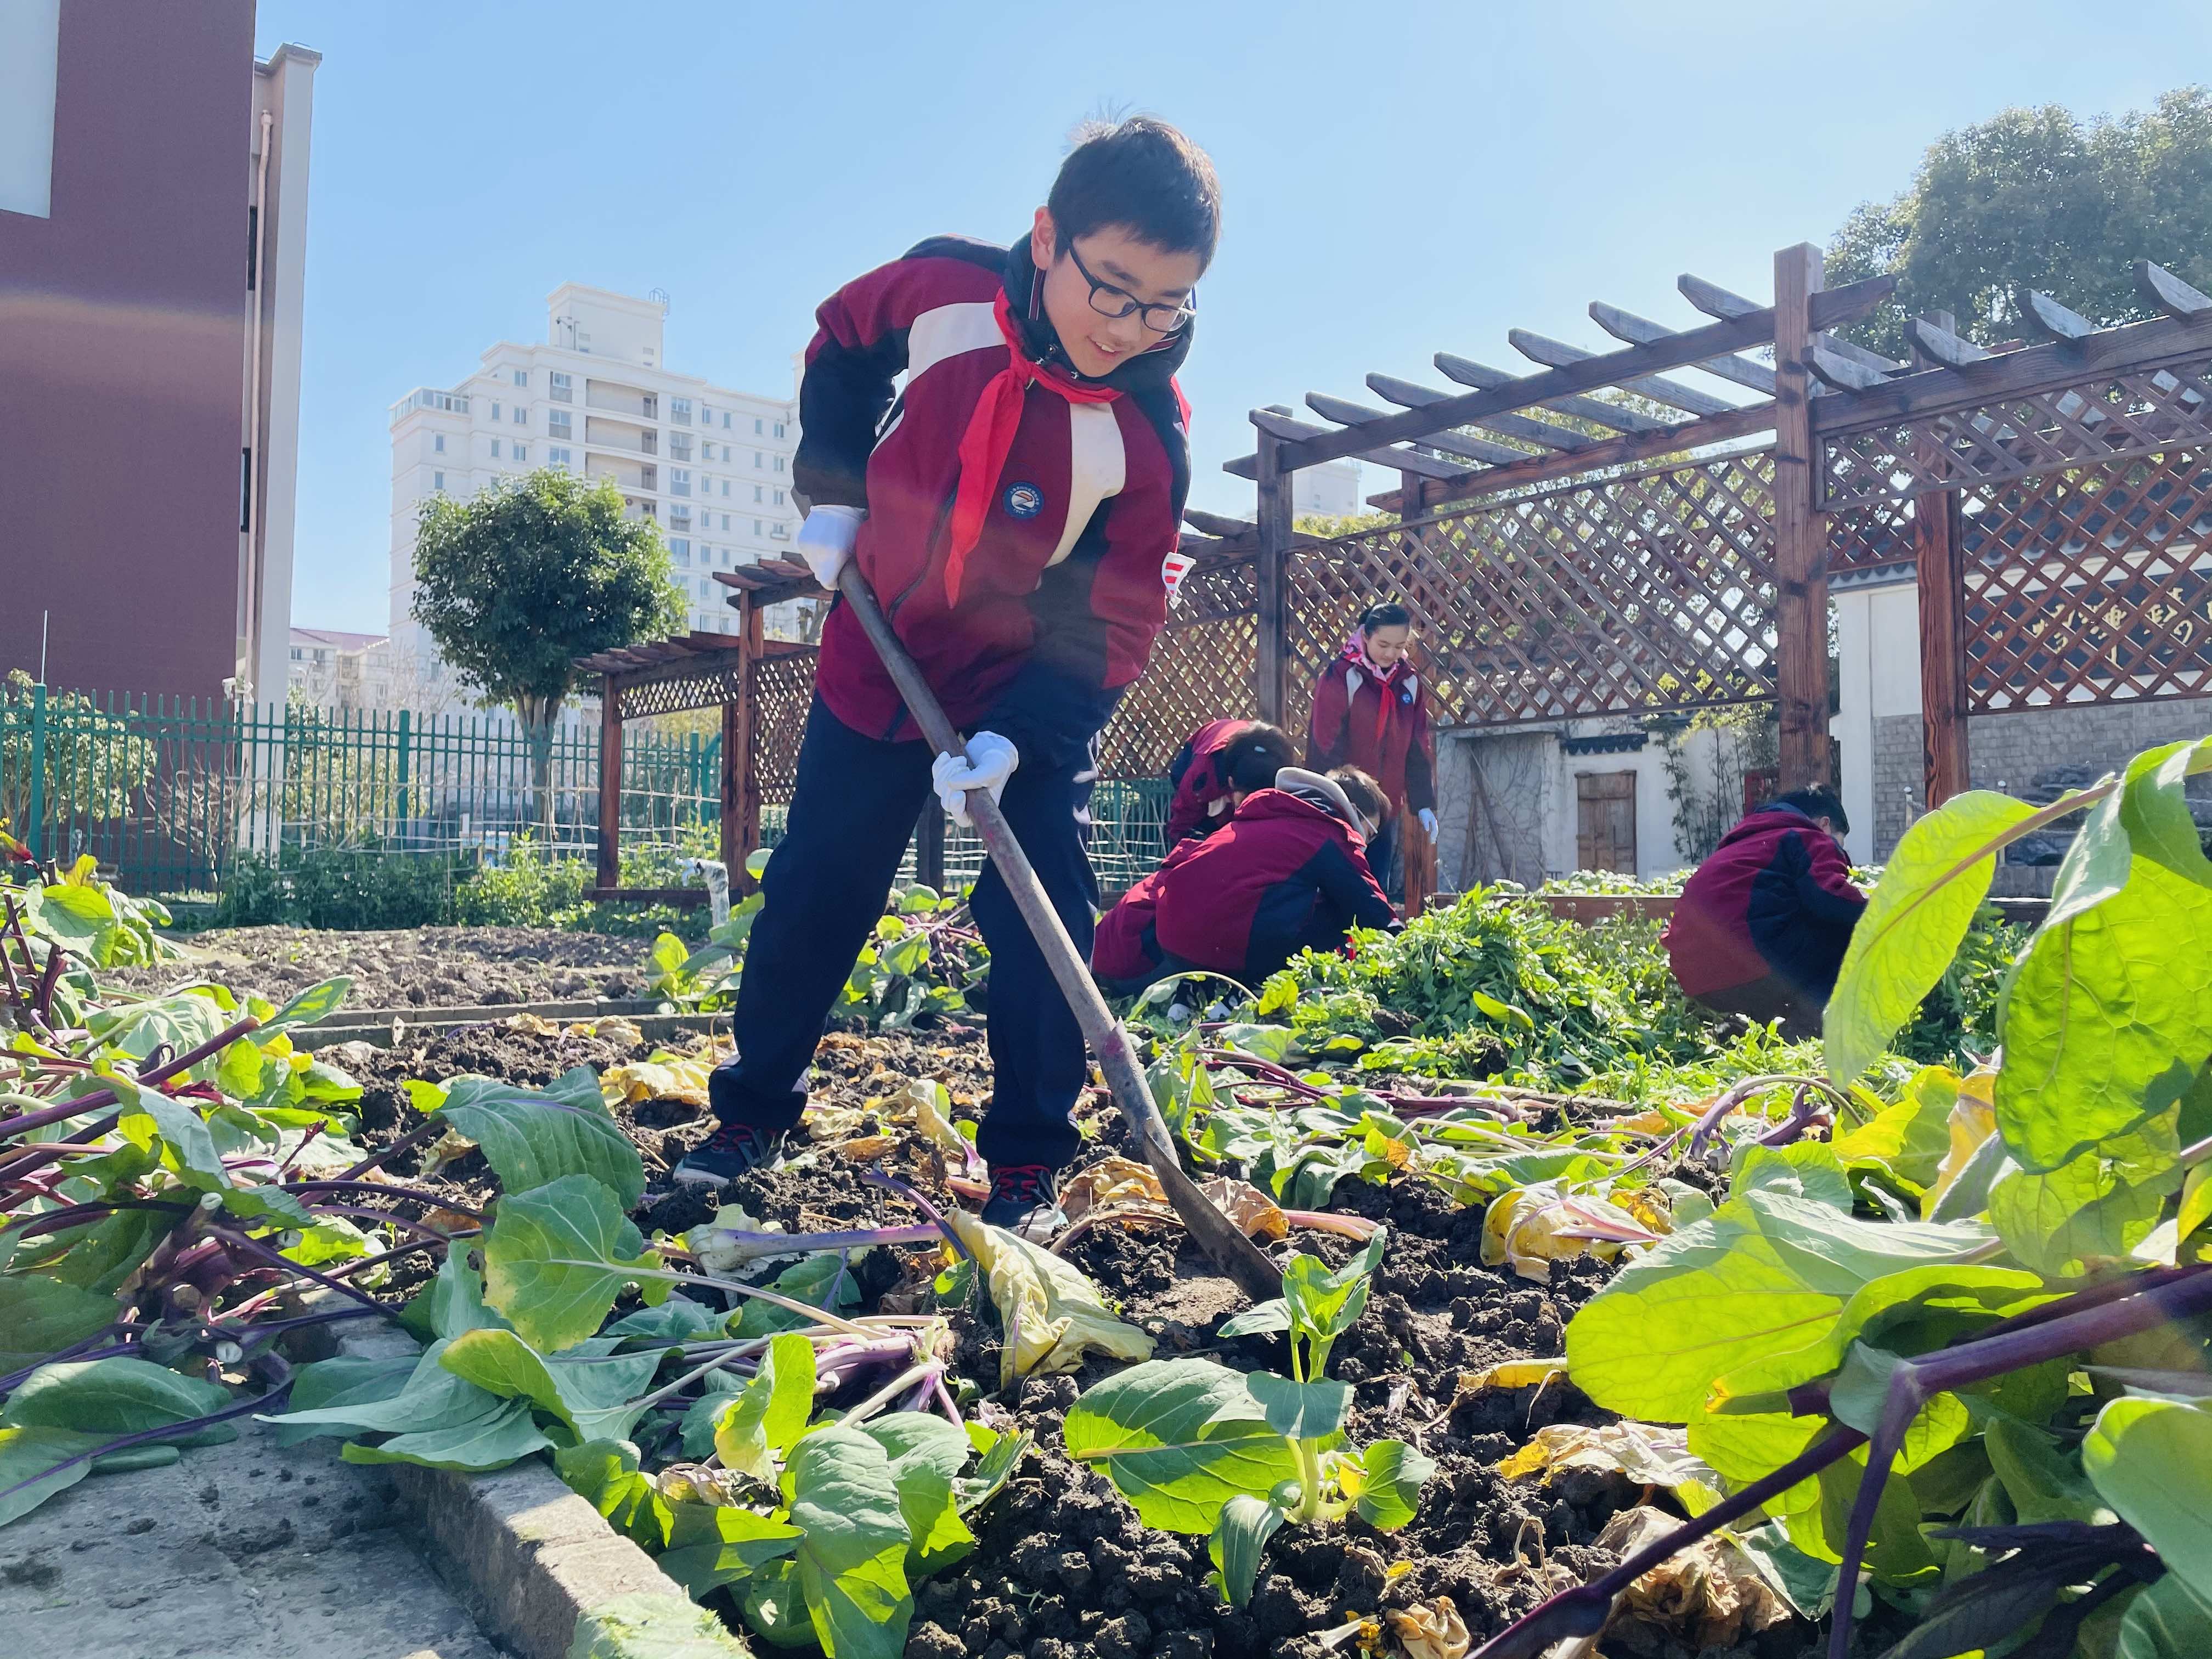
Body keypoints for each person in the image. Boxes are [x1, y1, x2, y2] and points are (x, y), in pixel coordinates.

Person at [672, 116, 1221, 1239]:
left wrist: (1022, 734)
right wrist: (833, 487)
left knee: (1039, 910)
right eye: (1110, 289)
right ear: (1048, 237)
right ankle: (751, 1113)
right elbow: (840, 342)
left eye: (1164, 304)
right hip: (878, 654)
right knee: (819, 890)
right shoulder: (946, 289)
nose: (1129, 327)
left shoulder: (1147, 435)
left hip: (1027, 688)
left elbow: (1115, 619)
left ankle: (1023, 1158)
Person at [1141, 765, 1396, 987]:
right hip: (1232, 949)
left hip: (1174, 944)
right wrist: (1406, 942)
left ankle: (1194, 992)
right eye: (1371, 831)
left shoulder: (1259, 818)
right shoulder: (1328, 835)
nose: (1368, 841)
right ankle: (1254, 989)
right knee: (1337, 913)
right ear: (1352, 811)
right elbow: (1369, 906)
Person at [1094, 728, 1300, 991]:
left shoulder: (1229, 837)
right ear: (1229, 787)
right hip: (1127, 963)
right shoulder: (1203, 775)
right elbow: (1183, 815)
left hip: (1110, 952)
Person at [1663, 786, 1867, 1036]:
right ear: (1825, 825)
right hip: (1751, 962)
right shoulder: (1809, 837)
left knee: (1779, 922)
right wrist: (1884, 905)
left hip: (1695, 977)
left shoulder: (1743, 842)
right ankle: (1806, 1029)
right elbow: (1829, 898)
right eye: (1838, 840)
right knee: (1849, 929)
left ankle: (1746, 1030)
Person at [1307, 601, 1436, 903]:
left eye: (1399, 646)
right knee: (1339, 889)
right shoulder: (1342, 676)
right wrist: (1329, 800)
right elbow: (1324, 744)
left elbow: (1417, 745)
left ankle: (1372, 948)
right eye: (1383, 645)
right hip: (1345, 807)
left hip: (1385, 809)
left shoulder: (1410, 681)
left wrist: (1423, 802)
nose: (1391, 654)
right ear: (1365, 636)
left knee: (1376, 889)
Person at [1161, 719, 1297, 849]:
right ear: (1231, 783)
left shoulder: (1283, 778)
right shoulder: (1202, 773)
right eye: (1244, 803)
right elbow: (1182, 819)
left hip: (1248, 743)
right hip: (1202, 748)